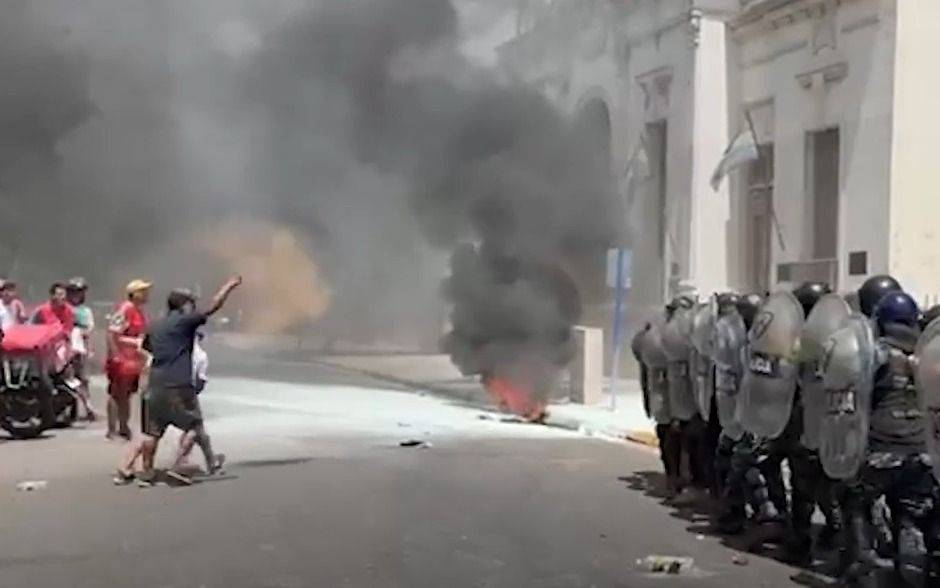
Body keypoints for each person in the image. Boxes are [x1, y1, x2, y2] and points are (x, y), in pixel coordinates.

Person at [841, 291, 933, 586]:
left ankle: (862, 563)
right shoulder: (928, 356)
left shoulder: (877, 353)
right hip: (922, 452)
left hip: (882, 450)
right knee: (908, 508)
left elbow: (850, 388)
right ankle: (909, 564)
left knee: (852, 497)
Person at [117, 276, 241, 487]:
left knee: (152, 432)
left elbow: (146, 348)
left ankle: (145, 472)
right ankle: (178, 465)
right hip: (178, 383)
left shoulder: (155, 325)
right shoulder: (185, 321)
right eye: (190, 303)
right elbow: (212, 307)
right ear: (184, 305)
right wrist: (229, 286)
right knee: (194, 425)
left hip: (155, 383)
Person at [174, 328, 225, 476]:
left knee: (197, 431)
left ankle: (210, 461)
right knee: (195, 429)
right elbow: (200, 381)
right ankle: (181, 461)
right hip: (187, 393)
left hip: (166, 390)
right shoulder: (201, 356)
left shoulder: (175, 351)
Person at [106, 279, 152, 440]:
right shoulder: (125, 309)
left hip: (133, 360)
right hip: (121, 359)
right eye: (143, 291)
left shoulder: (140, 311)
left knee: (127, 393)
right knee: (116, 393)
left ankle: (124, 426)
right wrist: (115, 356)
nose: (147, 295)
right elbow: (112, 334)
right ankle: (112, 429)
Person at [66, 278, 98, 421]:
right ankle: (69, 408)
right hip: (66, 346)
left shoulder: (86, 311)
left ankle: (88, 407)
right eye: (73, 292)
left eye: (79, 292)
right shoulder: (65, 308)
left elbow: (89, 329)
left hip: (80, 346)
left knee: (83, 378)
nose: (76, 295)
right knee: (68, 377)